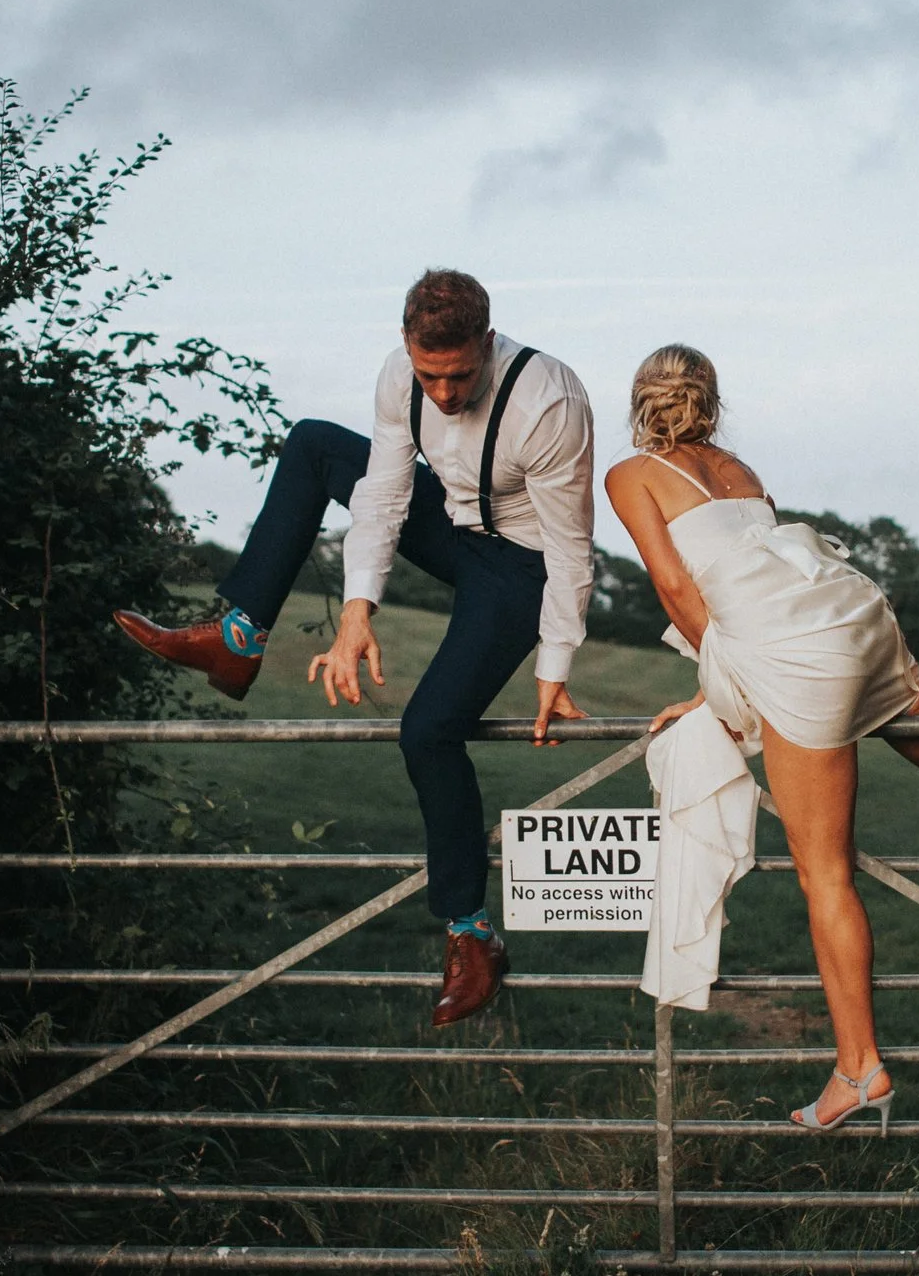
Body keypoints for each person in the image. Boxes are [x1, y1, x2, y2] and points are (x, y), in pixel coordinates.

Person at [603, 345, 919, 1132]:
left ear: (641, 403)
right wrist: (715, 689)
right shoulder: (742, 471)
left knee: (824, 877)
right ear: (711, 399)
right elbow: (757, 580)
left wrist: (719, 692)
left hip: (793, 654)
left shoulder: (629, 475)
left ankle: (859, 1069)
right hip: (848, 612)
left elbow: (682, 590)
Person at [113, 270, 596, 1028]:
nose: (441, 393)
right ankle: (238, 638)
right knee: (313, 445)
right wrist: (354, 613)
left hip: (520, 566)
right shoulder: (400, 378)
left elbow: (571, 547)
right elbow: (383, 496)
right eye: (428, 373)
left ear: (488, 343)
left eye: (459, 375)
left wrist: (554, 663)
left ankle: (471, 937)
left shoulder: (549, 399)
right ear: (408, 347)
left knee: (429, 730)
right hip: (452, 527)